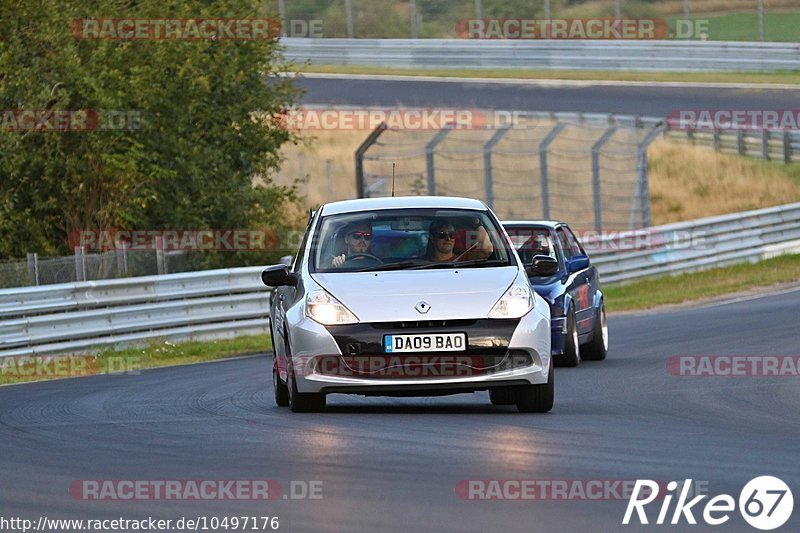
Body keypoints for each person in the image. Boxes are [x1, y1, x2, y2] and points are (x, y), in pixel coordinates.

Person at [425, 218, 493, 262]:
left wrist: (477, 223)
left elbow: (487, 250)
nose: (448, 239)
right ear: (432, 238)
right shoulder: (421, 263)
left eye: (452, 235)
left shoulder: (465, 259)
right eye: (442, 235)